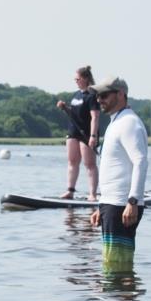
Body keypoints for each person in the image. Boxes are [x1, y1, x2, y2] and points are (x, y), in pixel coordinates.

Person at [88, 78, 148, 272]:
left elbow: (140, 161)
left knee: (117, 265)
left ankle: (120, 292)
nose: (99, 100)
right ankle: (116, 292)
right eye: (98, 96)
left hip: (122, 205)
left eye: (104, 95)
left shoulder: (129, 123)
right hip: (112, 204)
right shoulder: (117, 122)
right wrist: (102, 206)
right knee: (111, 263)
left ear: (121, 94)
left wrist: (132, 201)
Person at [56, 65, 100, 200]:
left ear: (85, 79)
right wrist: (65, 108)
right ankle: (70, 191)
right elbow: (74, 114)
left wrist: (93, 136)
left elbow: (95, 117)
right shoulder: (76, 95)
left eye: (77, 79)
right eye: (75, 79)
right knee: (72, 162)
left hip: (86, 133)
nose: (75, 81)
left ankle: (92, 194)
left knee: (89, 164)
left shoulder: (92, 95)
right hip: (73, 131)